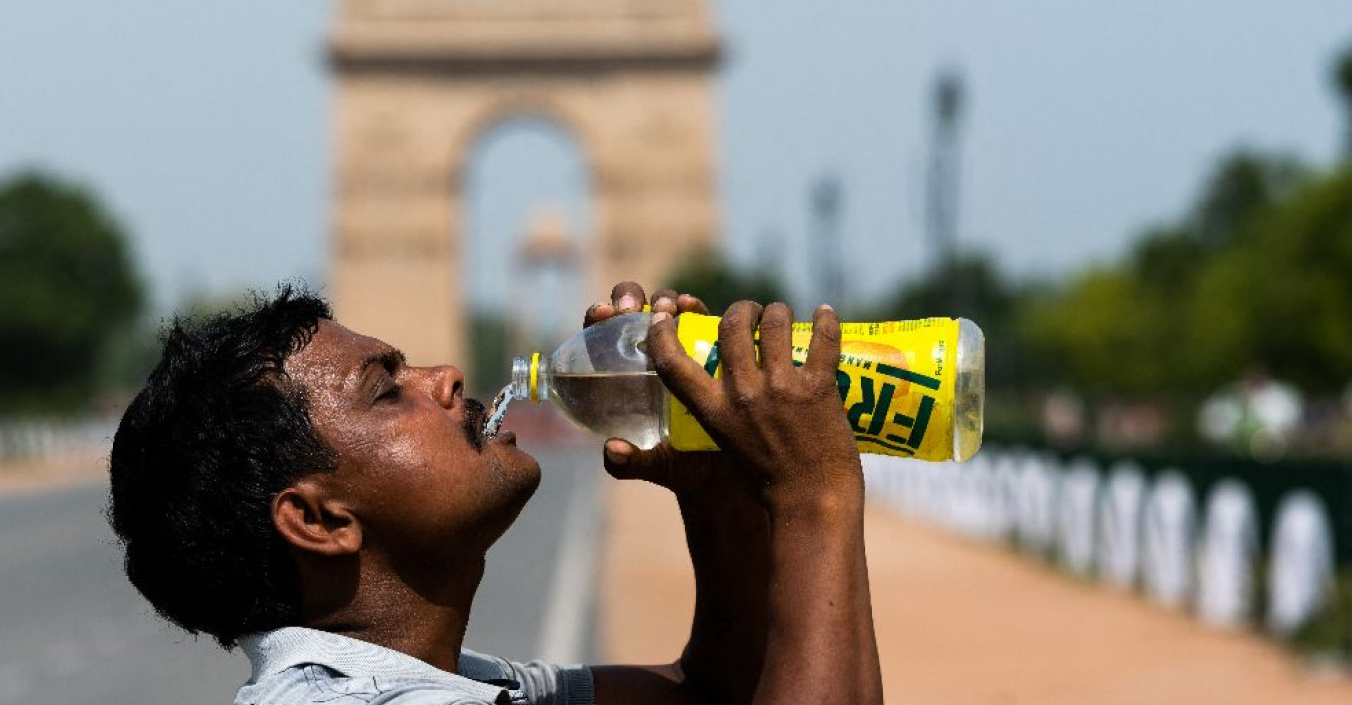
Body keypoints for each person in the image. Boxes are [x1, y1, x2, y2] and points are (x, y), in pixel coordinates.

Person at [108, 281, 882, 705]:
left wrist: (717, 497)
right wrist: (815, 501)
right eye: (387, 391)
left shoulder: (449, 681)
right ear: (317, 518)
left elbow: (713, 698)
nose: (445, 375)